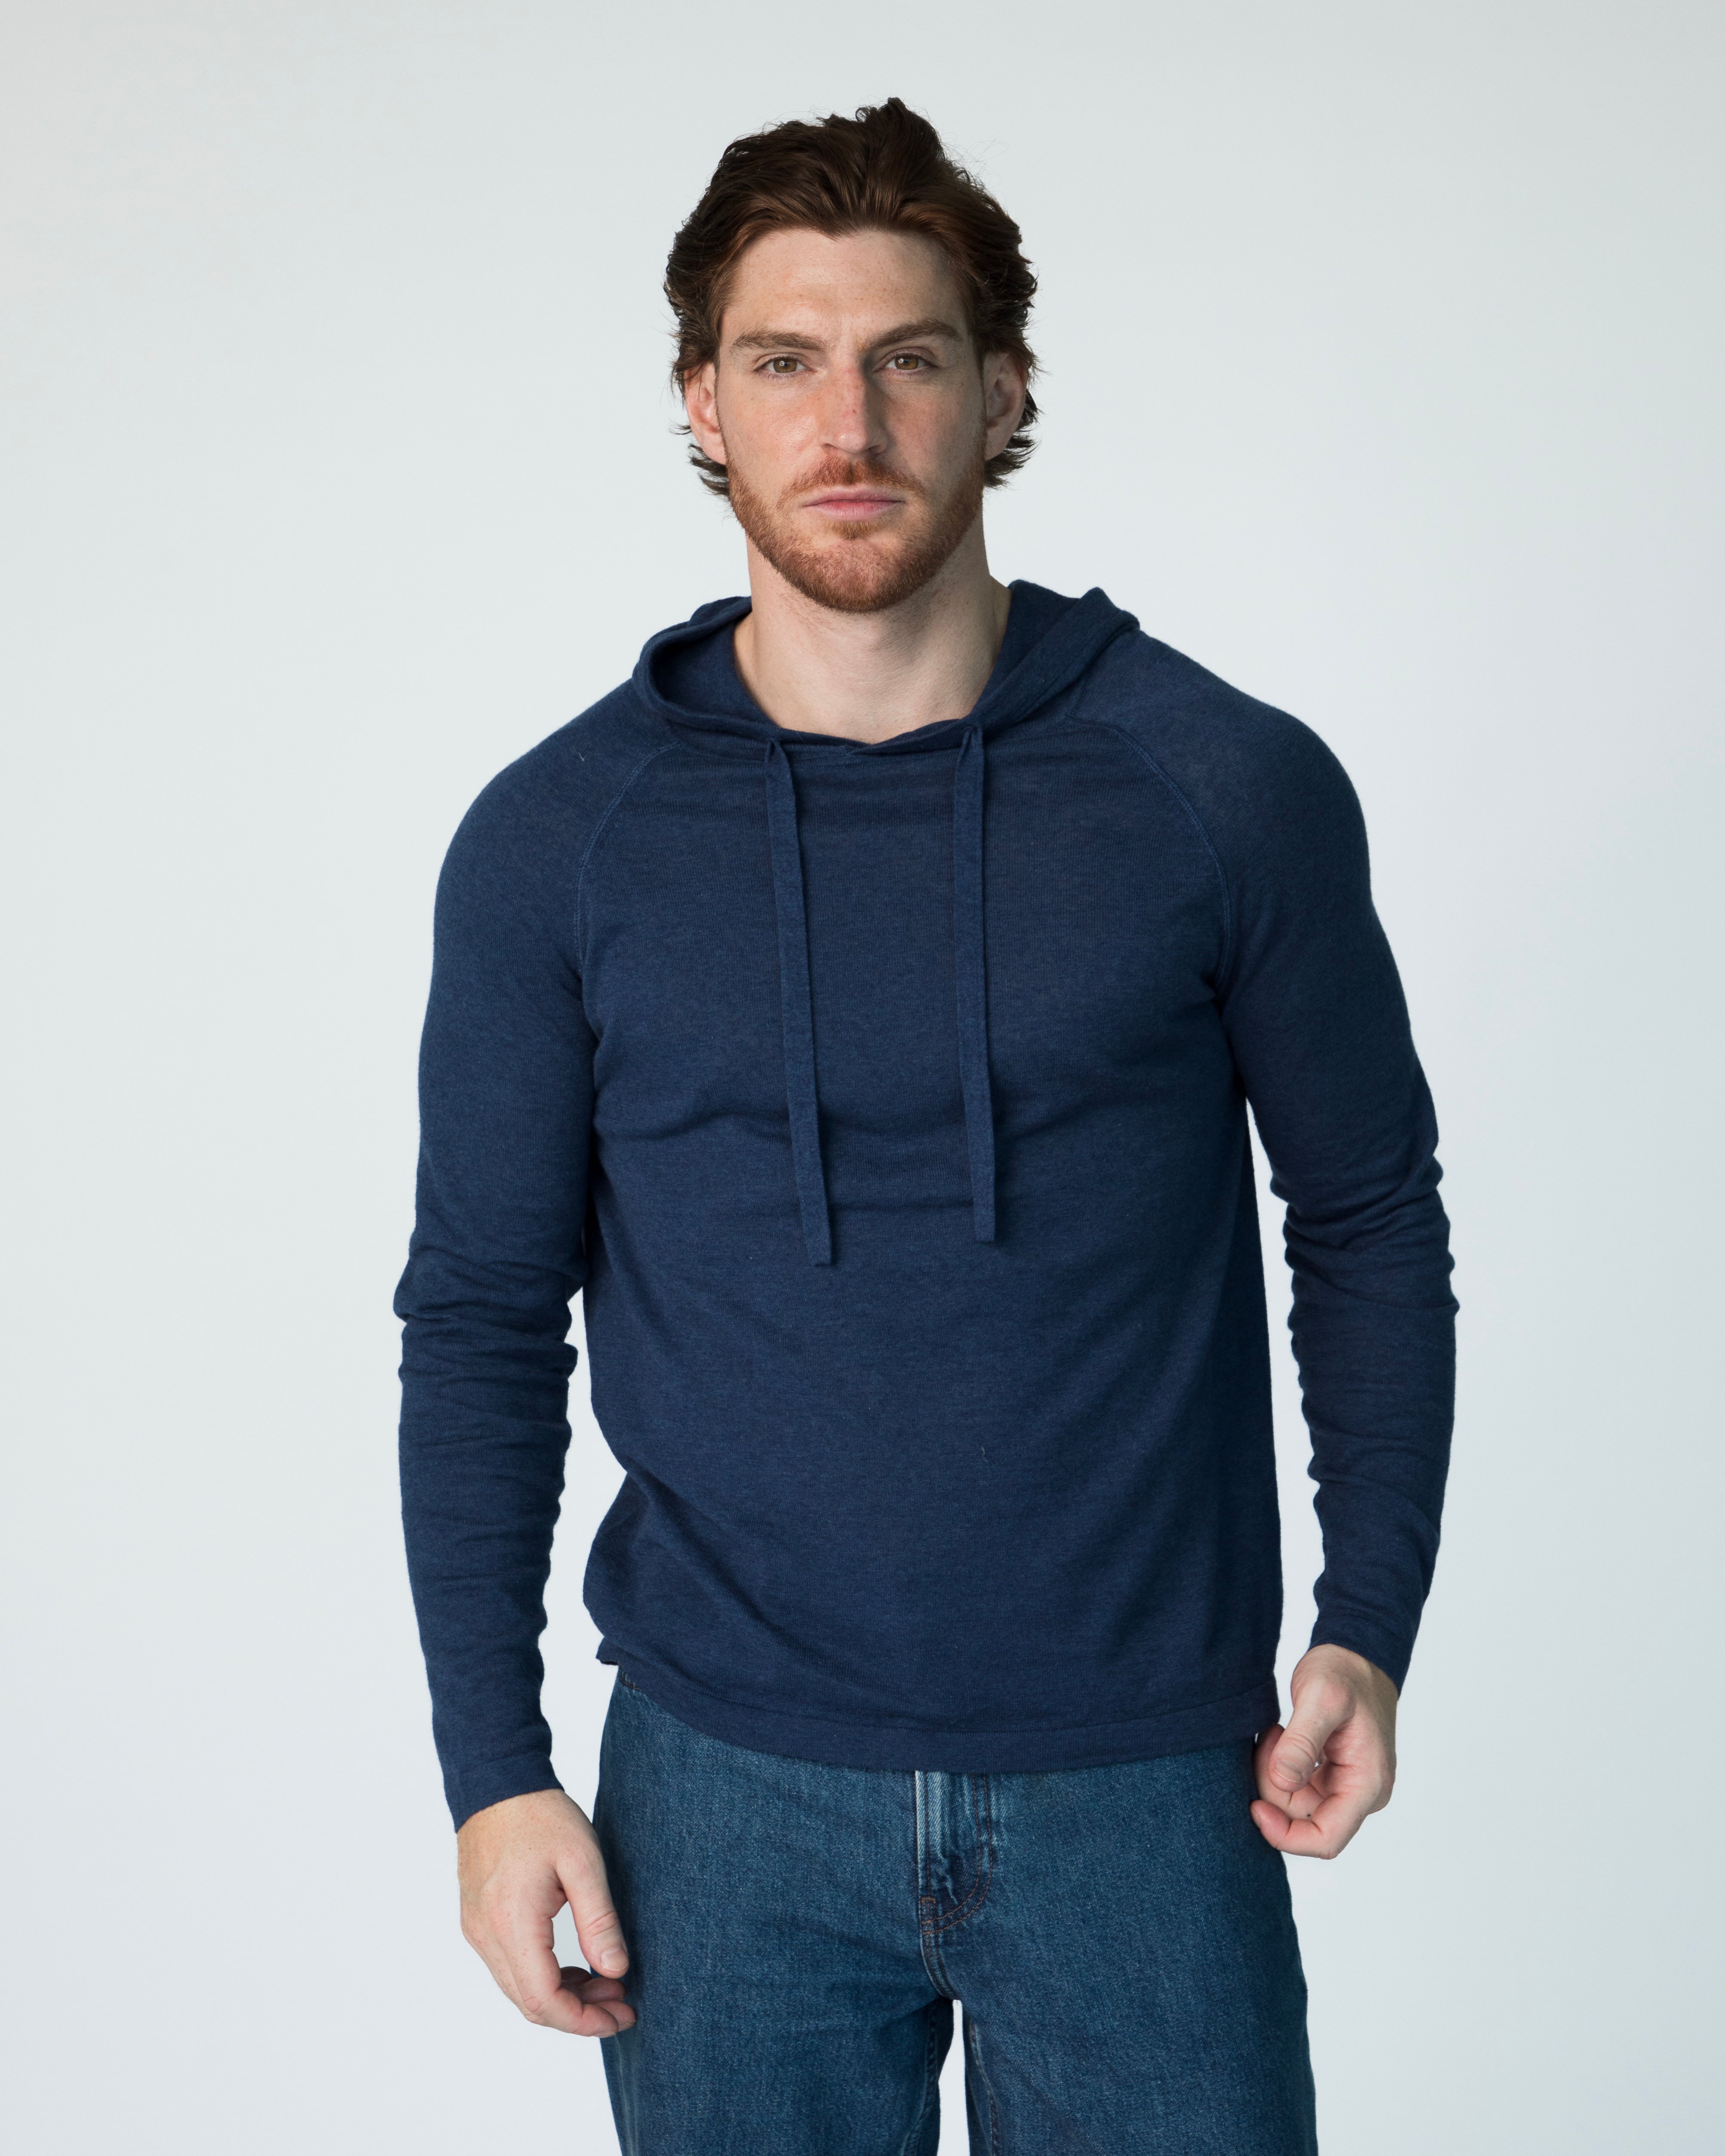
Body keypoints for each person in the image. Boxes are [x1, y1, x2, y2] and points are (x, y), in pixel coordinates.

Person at [396, 97, 1456, 2154]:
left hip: (1148, 1783)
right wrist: (492, 1771)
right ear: (702, 402)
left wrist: (1366, 1622)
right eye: (783, 360)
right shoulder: (560, 843)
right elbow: (480, 1315)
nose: (847, 424)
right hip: (720, 1799)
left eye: (907, 357)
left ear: (1003, 390)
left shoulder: (1219, 788)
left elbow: (1367, 1216)